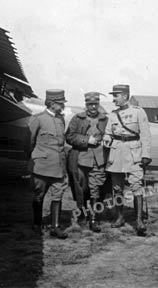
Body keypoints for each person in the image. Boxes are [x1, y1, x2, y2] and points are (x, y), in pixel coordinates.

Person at [103, 84, 152, 235]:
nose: (114, 99)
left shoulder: (138, 112)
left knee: (136, 186)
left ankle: (139, 220)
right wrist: (106, 138)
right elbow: (108, 132)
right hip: (117, 152)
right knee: (117, 188)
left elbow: (145, 135)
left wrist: (146, 155)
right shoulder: (112, 114)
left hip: (133, 152)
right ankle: (120, 217)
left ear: (125, 96)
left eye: (116, 95)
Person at [28, 89, 69, 239]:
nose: (62, 106)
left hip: (58, 166)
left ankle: (55, 227)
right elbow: (29, 142)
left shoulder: (60, 119)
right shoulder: (37, 119)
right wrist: (33, 159)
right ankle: (37, 224)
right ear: (51, 103)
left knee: (58, 196)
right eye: (60, 103)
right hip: (41, 167)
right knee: (39, 196)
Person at [65, 92, 108, 232]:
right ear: (86, 105)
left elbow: (111, 134)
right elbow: (69, 137)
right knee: (81, 189)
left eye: (96, 104)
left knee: (96, 189)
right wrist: (86, 140)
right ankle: (82, 215)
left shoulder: (105, 119)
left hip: (98, 159)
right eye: (90, 104)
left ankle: (93, 219)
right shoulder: (77, 119)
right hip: (81, 159)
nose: (93, 107)